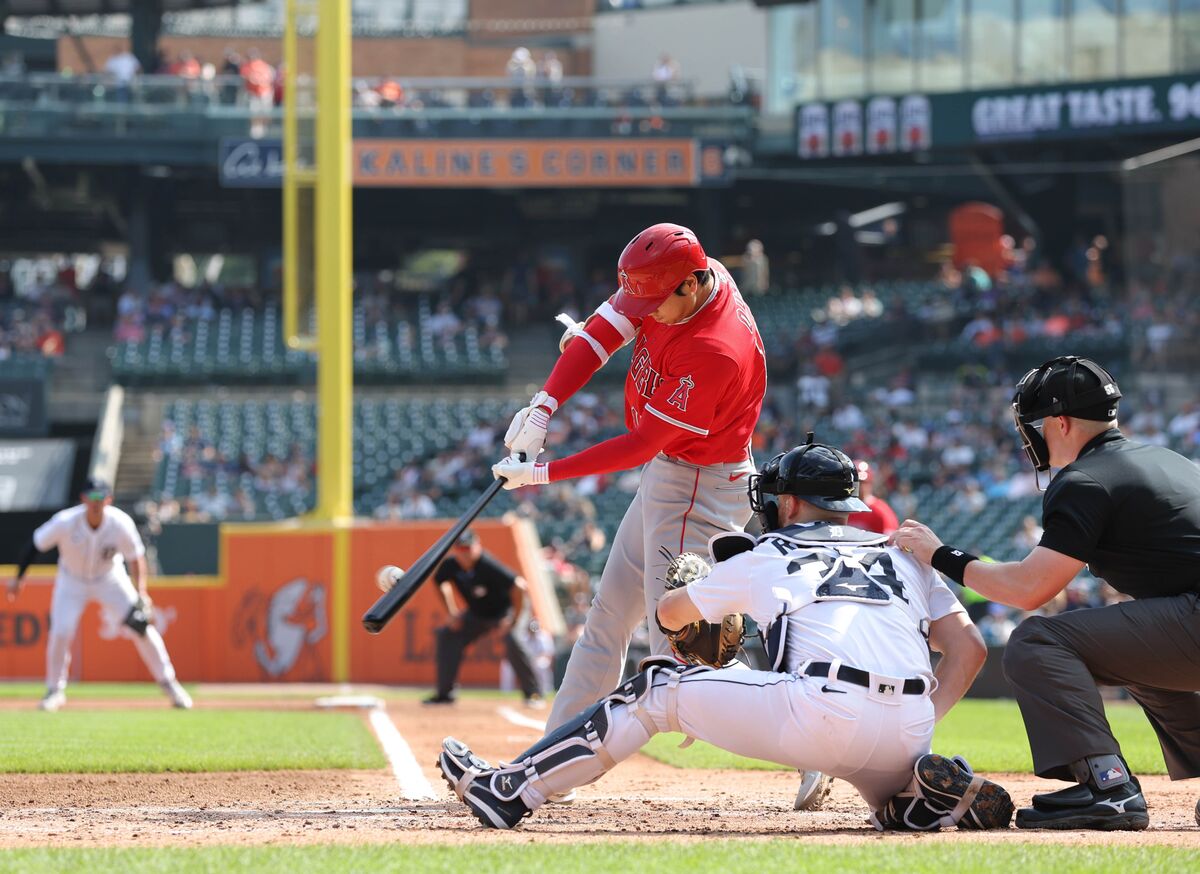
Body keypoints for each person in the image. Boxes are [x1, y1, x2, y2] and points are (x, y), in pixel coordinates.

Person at [438, 439, 1008, 831]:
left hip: (820, 714)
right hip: (908, 729)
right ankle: (913, 803)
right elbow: (970, 650)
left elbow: (669, 616)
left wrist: (698, 589)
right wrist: (921, 724)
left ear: (787, 501)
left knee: (656, 684)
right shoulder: (904, 556)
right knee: (880, 788)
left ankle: (513, 789)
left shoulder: (771, 551)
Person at [892, 355, 1200, 831]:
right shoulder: (1165, 458)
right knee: (1133, 657)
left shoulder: (1084, 479)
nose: (1031, 436)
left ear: (1061, 422)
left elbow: (1029, 589)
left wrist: (941, 555)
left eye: (1035, 424)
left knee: (1037, 641)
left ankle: (1108, 787)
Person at [7, 478, 191, 711]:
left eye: (100, 497)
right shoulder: (66, 521)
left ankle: (169, 683)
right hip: (71, 581)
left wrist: (141, 591)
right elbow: (35, 544)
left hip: (110, 579)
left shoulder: (120, 522)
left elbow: (136, 557)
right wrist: (19, 577)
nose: (96, 502)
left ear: (109, 499)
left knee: (141, 625)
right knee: (61, 632)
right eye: (91, 497)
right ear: (83, 499)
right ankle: (54, 690)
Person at [425, 530, 544, 708]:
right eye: (461, 549)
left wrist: (512, 621)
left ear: (477, 546)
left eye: (468, 548)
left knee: (513, 639)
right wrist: (451, 612)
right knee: (447, 635)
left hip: (506, 611)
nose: (465, 553)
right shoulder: (451, 565)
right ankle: (445, 694)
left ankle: (533, 693)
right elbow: (439, 581)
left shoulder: (487, 565)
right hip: (478, 614)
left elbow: (519, 587)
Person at [847, 460, 899, 535]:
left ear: (870, 483)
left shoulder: (880, 510)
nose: (859, 486)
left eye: (863, 482)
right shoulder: (842, 510)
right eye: (856, 482)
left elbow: (890, 541)